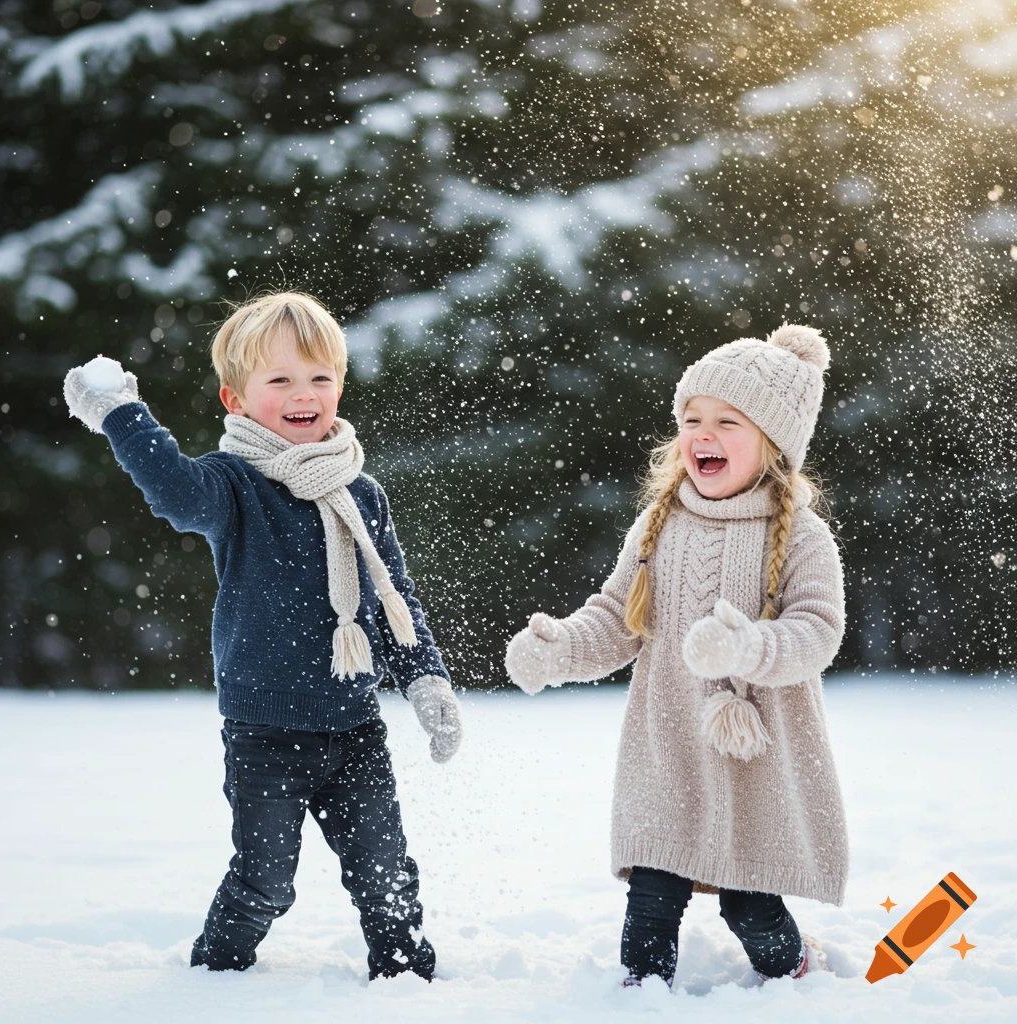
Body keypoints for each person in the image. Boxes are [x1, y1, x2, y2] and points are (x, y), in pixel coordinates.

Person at [63, 291, 461, 980]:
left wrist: (426, 680)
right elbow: (175, 496)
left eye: (319, 378)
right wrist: (122, 414)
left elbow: (392, 598)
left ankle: (406, 978)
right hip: (265, 732)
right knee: (265, 883)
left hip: (355, 726)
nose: (303, 394)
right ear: (236, 399)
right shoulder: (233, 484)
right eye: (279, 380)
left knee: (386, 874)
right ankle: (217, 978)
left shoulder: (360, 493)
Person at [505, 324, 848, 986]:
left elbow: (817, 631)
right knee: (651, 897)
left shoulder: (804, 536)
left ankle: (796, 972)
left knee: (750, 904)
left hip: (755, 755)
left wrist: (751, 646)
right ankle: (642, 992)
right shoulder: (660, 523)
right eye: (692, 418)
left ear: (774, 445)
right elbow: (615, 618)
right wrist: (557, 652)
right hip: (667, 747)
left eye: (728, 420)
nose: (703, 433)